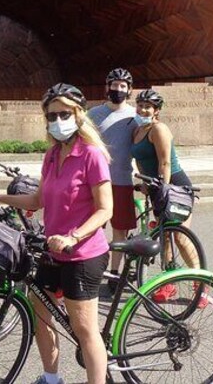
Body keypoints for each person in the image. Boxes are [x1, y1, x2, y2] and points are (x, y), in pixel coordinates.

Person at [0, 83, 113, 384]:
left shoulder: (92, 155)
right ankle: (51, 379)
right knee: (41, 314)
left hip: (82, 253)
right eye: (51, 116)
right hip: (52, 252)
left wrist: (73, 237)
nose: (57, 121)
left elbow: (106, 210)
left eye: (64, 114)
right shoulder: (52, 154)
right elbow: (37, 200)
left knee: (85, 329)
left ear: (79, 115)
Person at [130, 88, 198, 302]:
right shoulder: (137, 131)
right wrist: (145, 185)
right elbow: (141, 162)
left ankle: (200, 283)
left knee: (179, 237)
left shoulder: (159, 129)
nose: (142, 109)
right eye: (140, 105)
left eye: (147, 106)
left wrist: (163, 190)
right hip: (157, 186)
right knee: (164, 238)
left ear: (156, 110)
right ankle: (168, 284)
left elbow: (165, 163)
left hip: (174, 186)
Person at [86, 68, 138, 288]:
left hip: (121, 180)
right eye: (114, 85)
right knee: (92, 226)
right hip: (95, 180)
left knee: (120, 230)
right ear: (107, 87)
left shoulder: (135, 116)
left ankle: (115, 273)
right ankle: (89, 269)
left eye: (123, 86)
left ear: (129, 90)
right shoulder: (93, 114)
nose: (118, 90)